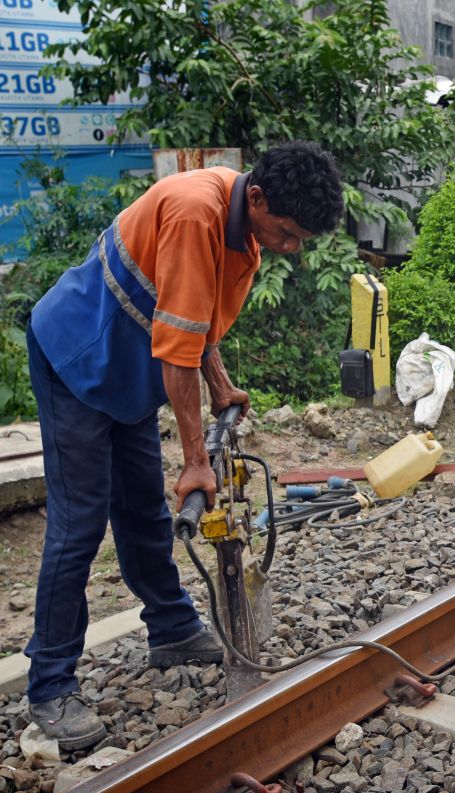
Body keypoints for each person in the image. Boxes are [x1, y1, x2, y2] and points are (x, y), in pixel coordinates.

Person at [24, 142, 344, 750]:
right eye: (288, 232)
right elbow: (177, 351)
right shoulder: (197, 211)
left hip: (128, 370)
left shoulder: (237, 218)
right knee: (80, 524)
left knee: (144, 507)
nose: (291, 247)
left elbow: (194, 321)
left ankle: (170, 628)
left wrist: (220, 386)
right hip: (76, 358)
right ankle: (49, 685)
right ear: (258, 198)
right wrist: (197, 461)